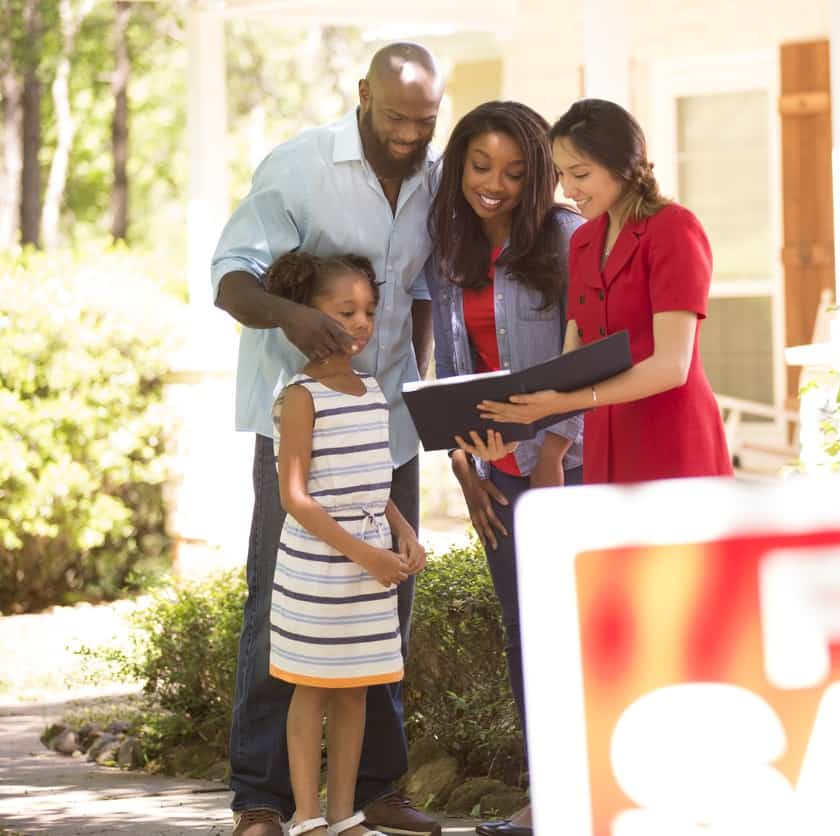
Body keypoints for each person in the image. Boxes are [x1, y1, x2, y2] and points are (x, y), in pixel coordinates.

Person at [210, 42, 445, 836]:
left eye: (425, 121)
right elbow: (232, 277)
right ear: (360, 97)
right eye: (395, 119)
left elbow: (417, 291)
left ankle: (375, 791)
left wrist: (421, 374)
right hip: (301, 419)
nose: (411, 136)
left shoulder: (433, 180)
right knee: (281, 609)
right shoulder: (298, 167)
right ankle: (263, 801)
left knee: (385, 604)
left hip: (387, 426)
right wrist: (293, 318)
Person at [426, 100, 584, 836]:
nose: (494, 184)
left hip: (571, 469)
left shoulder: (568, 237)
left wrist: (553, 453)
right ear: (459, 163)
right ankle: (546, 798)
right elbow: (458, 371)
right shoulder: (449, 250)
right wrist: (467, 471)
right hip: (498, 473)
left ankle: (598, 791)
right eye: (481, 166)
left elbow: (589, 355)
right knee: (526, 633)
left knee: (577, 630)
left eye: (516, 173)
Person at [477, 98, 733, 484]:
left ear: (622, 165)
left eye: (580, 174)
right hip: (606, 444)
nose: (568, 189)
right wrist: (520, 424)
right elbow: (571, 363)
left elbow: (672, 366)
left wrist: (566, 403)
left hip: (673, 441)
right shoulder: (583, 241)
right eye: (562, 174)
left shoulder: (674, 229)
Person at [265, 253, 426, 836]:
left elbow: (374, 483)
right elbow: (295, 497)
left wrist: (404, 532)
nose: (362, 322)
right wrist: (366, 554)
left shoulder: (372, 391)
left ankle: (342, 816)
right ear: (310, 316)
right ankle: (307, 817)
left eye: (369, 311)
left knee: (357, 690)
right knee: (312, 690)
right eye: (345, 311)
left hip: (371, 570)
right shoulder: (302, 397)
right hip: (320, 570)